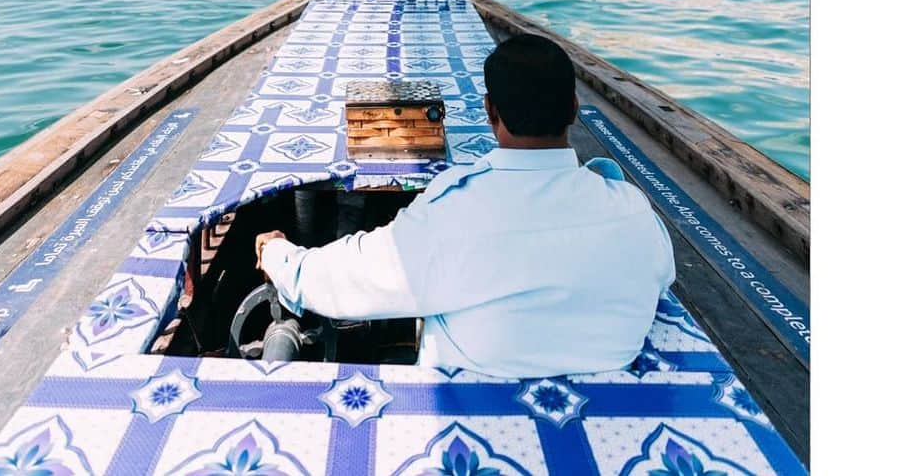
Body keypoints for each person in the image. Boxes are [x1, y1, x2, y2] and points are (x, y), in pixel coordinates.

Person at [255, 34, 675, 378]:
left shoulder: (452, 215)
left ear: (490, 111)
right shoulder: (634, 213)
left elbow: (336, 281)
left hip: (474, 414)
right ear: (573, 109)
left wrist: (278, 253)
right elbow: (663, 276)